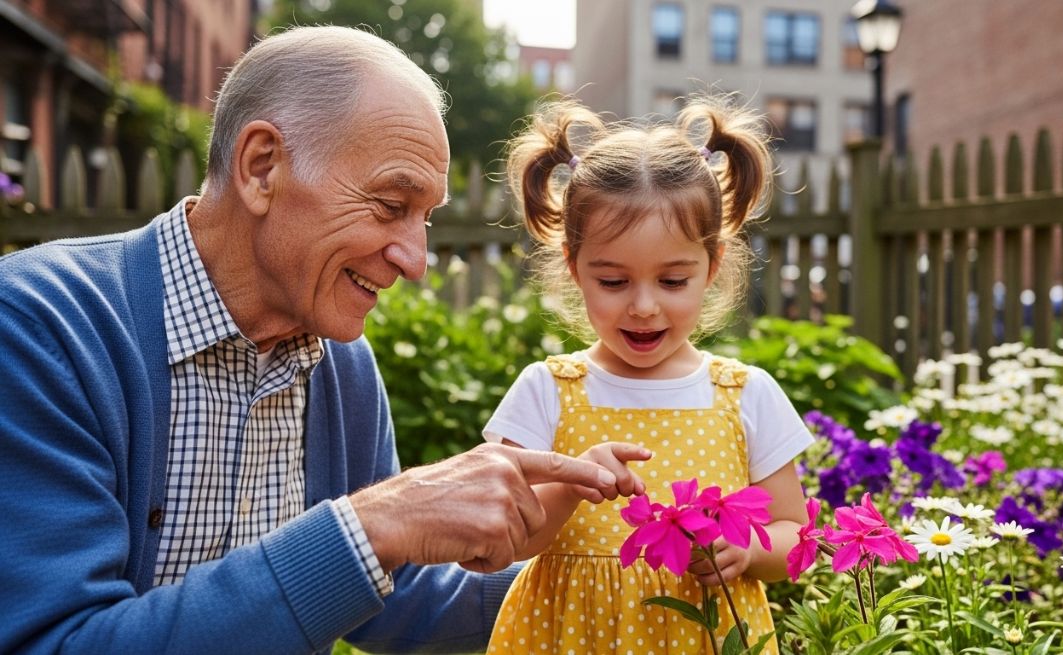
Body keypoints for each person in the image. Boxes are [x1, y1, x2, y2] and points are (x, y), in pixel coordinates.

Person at [0, 26, 646, 655]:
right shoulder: (42, 327)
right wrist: (378, 522)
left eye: (426, 218)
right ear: (261, 167)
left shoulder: (341, 364)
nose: (416, 258)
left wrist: (610, 580)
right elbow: (57, 639)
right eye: (392, 204)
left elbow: (394, 595)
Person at [481, 97, 817, 654]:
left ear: (711, 266)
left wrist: (751, 553)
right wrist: (570, 482)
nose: (642, 307)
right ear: (574, 267)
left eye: (672, 281)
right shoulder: (546, 391)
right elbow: (512, 540)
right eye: (613, 282)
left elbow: (794, 534)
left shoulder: (747, 395)